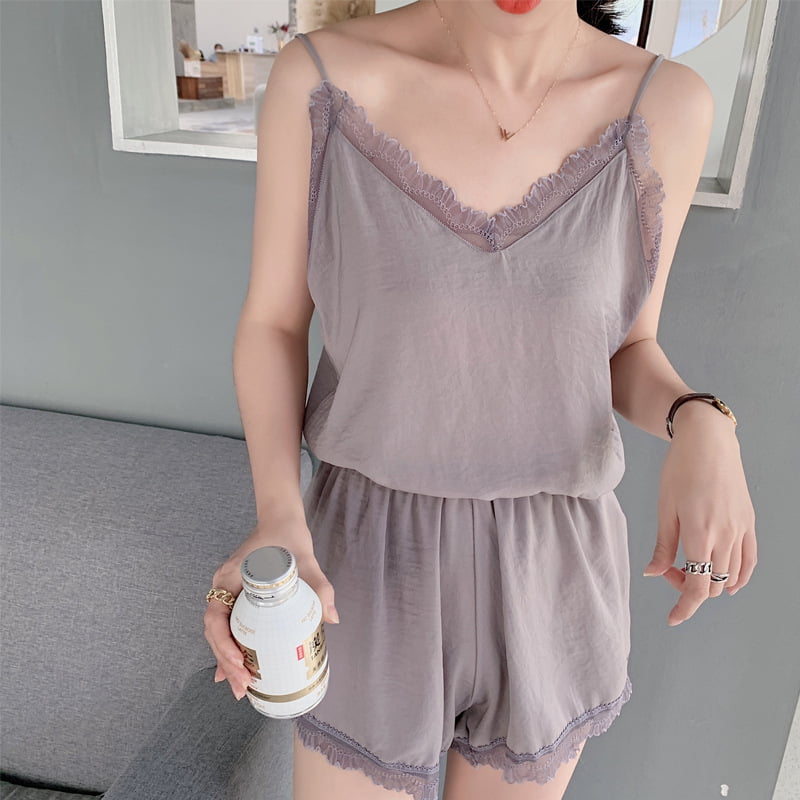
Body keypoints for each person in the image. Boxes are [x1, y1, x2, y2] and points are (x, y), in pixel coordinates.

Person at [204, 2, 758, 799]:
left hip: (553, 569)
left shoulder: (665, 104)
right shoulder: (320, 80)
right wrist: (277, 514)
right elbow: (273, 322)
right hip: (366, 559)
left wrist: (699, 420)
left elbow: (624, 347)